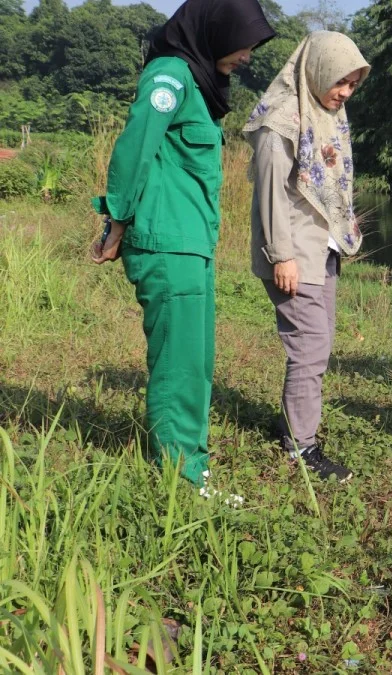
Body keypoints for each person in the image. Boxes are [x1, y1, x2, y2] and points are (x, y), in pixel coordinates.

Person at [91, 0, 275, 501]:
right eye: (244, 44)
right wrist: (116, 220)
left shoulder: (196, 81)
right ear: (216, 30)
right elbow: (135, 146)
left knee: (193, 359)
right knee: (180, 361)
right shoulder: (170, 75)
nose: (246, 56)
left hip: (190, 243)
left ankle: (189, 462)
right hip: (167, 243)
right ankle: (181, 478)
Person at [243, 31, 370, 483]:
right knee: (311, 346)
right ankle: (302, 446)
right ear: (316, 70)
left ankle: (293, 428)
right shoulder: (281, 122)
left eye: (353, 84)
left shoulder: (325, 113)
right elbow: (270, 197)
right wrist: (281, 256)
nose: (345, 92)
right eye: (340, 82)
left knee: (317, 343)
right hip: (293, 253)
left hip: (322, 249)